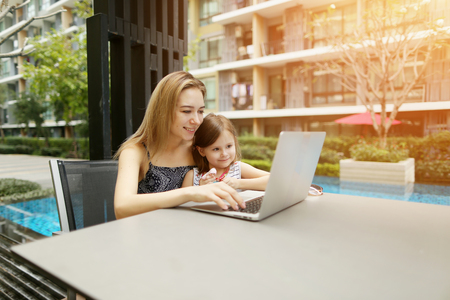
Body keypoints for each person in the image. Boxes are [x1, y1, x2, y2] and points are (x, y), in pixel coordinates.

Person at [113, 71, 245, 219]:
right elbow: (122, 207)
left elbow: (233, 171)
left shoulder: (200, 148)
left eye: (200, 111)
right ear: (162, 111)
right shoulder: (135, 151)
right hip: (149, 235)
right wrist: (190, 193)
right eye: (187, 111)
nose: (197, 120)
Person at [182, 113, 270, 190]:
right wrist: (200, 190)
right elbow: (182, 205)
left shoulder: (238, 169)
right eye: (216, 149)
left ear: (234, 142)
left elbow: (273, 180)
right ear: (201, 151)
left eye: (229, 146)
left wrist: (239, 183)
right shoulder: (193, 176)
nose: (224, 154)